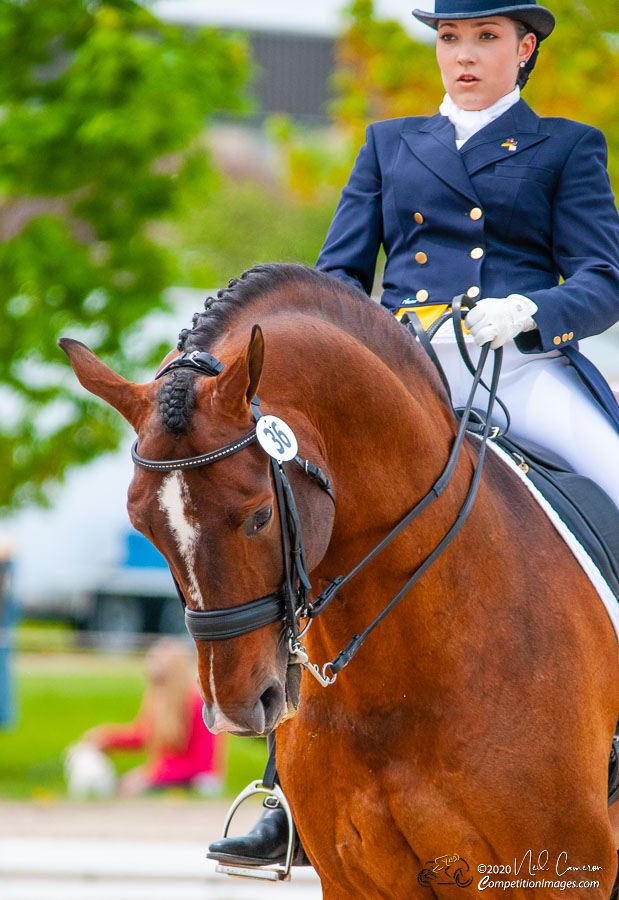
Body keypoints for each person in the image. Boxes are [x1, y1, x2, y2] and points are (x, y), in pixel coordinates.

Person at [207, 0, 619, 868]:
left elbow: (600, 280)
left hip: (522, 366)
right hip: (404, 374)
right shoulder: (389, 145)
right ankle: (286, 788)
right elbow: (335, 282)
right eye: (449, 39)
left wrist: (531, 312)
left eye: (483, 39)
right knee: (303, 545)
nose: (462, 57)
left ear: (524, 48)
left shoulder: (567, 146)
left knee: (613, 480)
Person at [74, 638, 223, 796]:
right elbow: (144, 735)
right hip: (170, 774)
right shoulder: (159, 701)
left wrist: (153, 777)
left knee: (133, 788)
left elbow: (202, 764)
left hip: (198, 781)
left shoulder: (198, 704)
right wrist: (107, 739)